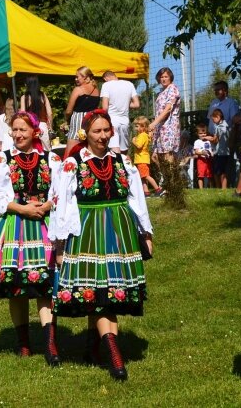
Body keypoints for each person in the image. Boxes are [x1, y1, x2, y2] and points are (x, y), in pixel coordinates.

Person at [50, 109, 153, 381]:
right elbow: (63, 204)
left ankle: (92, 347)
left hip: (119, 231)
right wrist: (60, 244)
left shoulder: (123, 161)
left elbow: (137, 199)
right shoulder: (73, 164)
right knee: (97, 294)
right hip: (86, 232)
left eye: (106, 130)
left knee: (106, 293)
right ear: (86, 134)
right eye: (97, 131)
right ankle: (113, 354)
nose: (103, 136)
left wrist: (146, 233)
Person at [0, 111, 62, 366]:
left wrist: (45, 206)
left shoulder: (52, 158)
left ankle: (50, 343)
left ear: (35, 132)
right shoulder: (1, 159)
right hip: (14, 224)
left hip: (44, 225)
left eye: (23, 130)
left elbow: (61, 192)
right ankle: (23, 343)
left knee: (45, 288)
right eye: (14, 130)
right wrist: (23, 208)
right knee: (16, 289)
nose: (17, 134)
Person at [100, 70, 140, 154]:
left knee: (114, 149)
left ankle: (116, 166)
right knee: (124, 151)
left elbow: (105, 107)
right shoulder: (129, 84)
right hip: (125, 121)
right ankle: (125, 166)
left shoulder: (106, 85)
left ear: (105, 78)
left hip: (112, 120)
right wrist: (124, 103)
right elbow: (136, 104)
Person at [64, 66, 101, 157]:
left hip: (78, 120)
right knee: (89, 148)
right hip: (91, 120)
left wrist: (66, 120)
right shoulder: (96, 90)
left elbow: (69, 110)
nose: (75, 79)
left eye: (77, 77)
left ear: (86, 77)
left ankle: (69, 167)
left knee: (72, 147)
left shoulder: (78, 89)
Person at [149, 67, 181, 161]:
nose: (163, 79)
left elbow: (168, 109)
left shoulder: (172, 89)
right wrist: (155, 126)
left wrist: (154, 123)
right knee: (157, 157)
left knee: (168, 157)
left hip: (169, 127)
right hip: (160, 128)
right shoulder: (161, 92)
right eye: (161, 77)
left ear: (170, 77)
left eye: (166, 76)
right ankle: (165, 176)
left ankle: (172, 176)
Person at [132, 117, 164, 197]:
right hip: (142, 159)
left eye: (137, 126)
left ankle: (158, 189)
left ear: (143, 127)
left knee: (146, 176)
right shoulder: (144, 135)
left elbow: (139, 146)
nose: (135, 128)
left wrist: (133, 141)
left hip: (141, 159)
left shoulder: (142, 136)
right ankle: (146, 192)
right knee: (143, 177)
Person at [207, 109, 231, 189]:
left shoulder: (219, 127)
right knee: (223, 172)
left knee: (217, 172)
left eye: (213, 119)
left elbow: (215, 140)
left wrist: (207, 138)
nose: (213, 121)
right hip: (226, 152)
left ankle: (218, 187)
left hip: (220, 152)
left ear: (218, 117)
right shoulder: (226, 126)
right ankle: (224, 188)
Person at [193, 123, 213, 189]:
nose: (203, 135)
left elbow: (210, 149)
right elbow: (195, 151)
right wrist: (201, 152)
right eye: (201, 133)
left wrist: (211, 153)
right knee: (201, 175)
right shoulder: (197, 142)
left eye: (204, 133)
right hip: (201, 160)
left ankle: (210, 188)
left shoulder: (208, 141)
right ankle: (201, 189)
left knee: (209, 174)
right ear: (197, 134)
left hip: (208, 160)